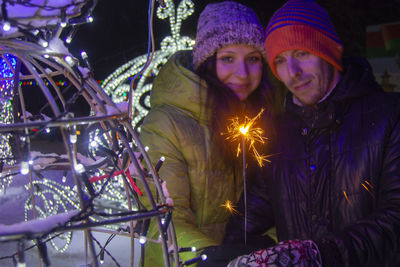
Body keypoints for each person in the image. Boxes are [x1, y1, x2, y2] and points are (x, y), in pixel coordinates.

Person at [222, 0, 400, 266]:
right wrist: (234, 257)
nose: (292, 73)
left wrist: (320, 254)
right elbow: (245, 223)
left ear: (329, 51)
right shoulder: (278, 135)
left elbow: (395, 220)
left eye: (302, 53)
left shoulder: (389, 116)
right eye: (280, 61)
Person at [139, 1, 284, 266]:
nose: (242, 74)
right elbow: (166, 220)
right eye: (227, 58)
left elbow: (281, 202)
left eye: (253, 59)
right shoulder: (166, 124)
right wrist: (215, 260)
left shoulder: (266, 116)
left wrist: (270, 246)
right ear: (207, 61)